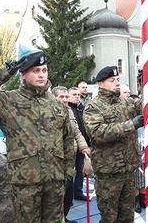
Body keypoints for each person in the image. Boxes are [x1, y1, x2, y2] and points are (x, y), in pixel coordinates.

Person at [0, 49, 75, 223]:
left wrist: (68, 172)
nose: (41, 75)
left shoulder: (56, 104)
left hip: (54, 180)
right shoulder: (8, 101)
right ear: (23, 74)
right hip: (25, 182)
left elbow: (67, 139)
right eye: (35, 71)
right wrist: (3, 73)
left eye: (44, 71)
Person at [83, 66, 142, 223]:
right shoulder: (93, 107)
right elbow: (98, 133)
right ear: (100, 84)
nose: (116, 83)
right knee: (109, 217)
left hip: (128, 170)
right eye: (112, 80)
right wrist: (131, 124)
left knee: (127, 216)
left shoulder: (125, 103)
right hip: (109, 172)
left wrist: (145, 85)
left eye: (118, 80)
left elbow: (147, 105)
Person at [53, 86, 90, 223]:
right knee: (57, 195)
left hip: (70, 158)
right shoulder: (50, 112)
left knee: (68, 195)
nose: (64, 99)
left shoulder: (69, 111)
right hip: (56, 160)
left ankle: (64, 217)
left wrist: (84, 147)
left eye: (66, 96)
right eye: (61, 97)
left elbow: (77, 132)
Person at [67, 86, 91, 202]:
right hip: (71, 146)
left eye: (78, 95)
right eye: (74, 94)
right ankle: (68, 195)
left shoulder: (82, 109)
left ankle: (78, 191)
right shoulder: (67, 109)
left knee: (80, 170)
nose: (77, 97)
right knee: (70, 171)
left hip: (82, 144)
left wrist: (86, 144)